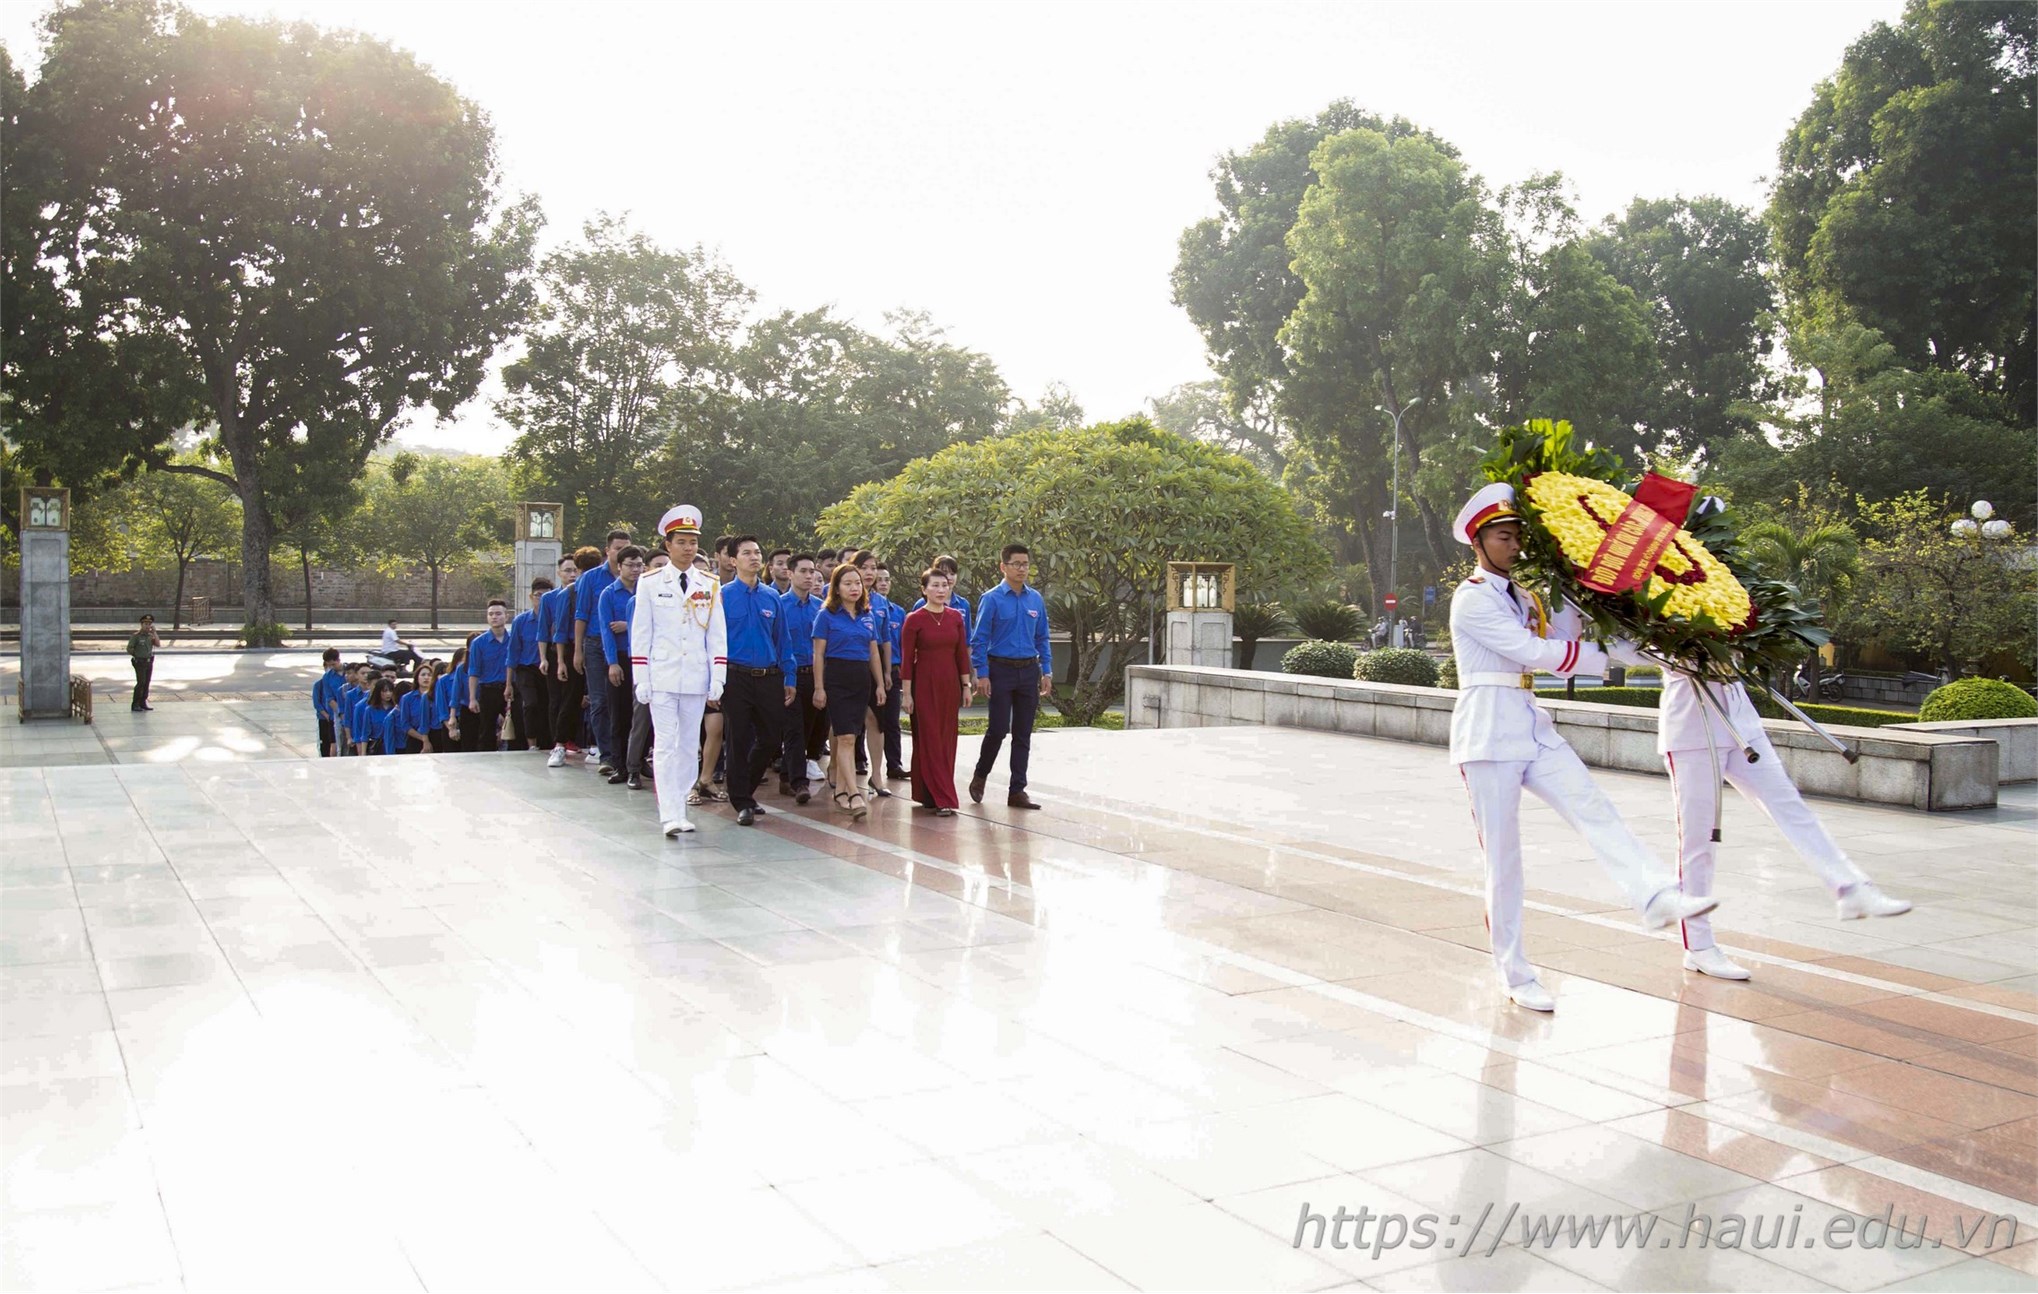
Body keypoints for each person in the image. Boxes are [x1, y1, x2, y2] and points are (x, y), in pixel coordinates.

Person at [1447, 482, 1716, 1013]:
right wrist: (1602, 656)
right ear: (1477, 543)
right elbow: (1533, 651)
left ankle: (1655, 895)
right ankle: (1515, 973)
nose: (1514, 545)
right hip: (1487, 733)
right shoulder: (1471, 597)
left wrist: (1584, 595)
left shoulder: (1526, 597)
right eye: (1503, 537)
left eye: (1517, 536)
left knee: (1594, 806)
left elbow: (1564, 636)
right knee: (1504, 861)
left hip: (1530, 725)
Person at [1659, 670, 1910, 980]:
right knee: (1699, 841)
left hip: (1742, 724)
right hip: (1692, 728)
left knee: (1792, 809)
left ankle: (1851, 887)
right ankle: (1699, 946)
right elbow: (1633, 650)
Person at [630, 506, 726, 836]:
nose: (688, 548)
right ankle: (668, 812)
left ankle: (681, 806)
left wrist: (718, 675)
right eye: (681, 542)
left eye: (692, 542)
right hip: (662, 675)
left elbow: (716, 634)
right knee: (665, 744)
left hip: (695, 675)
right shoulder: (650, 582)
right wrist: (641, 677)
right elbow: (641, 632)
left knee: (688, 745)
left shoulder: (709, 583)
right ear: (668, 545)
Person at [969, 544, 1051, 809]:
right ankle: (981, 774)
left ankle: (1017, 790)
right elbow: (979, 639)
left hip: (1028, 671)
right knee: (998, 729)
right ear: (1003, 566)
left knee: (1023, 733)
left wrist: (1047, 670)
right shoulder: (992, 598)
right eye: (1016, 564)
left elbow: (1042, 637)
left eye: (1025, 564)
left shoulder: (1035, 599)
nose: (1022, 569)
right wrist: (982, 674)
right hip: (1000, 670)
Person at [718, 537, 793, 826]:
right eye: (746, 553)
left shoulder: (771, 597)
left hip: (768, 677)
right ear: (733, 560)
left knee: (772, 738)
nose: (754, 557)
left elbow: (782, 639)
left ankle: (743, 791)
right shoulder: (722, 596)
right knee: (737, 738)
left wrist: (788, 675)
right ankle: (743, 801)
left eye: (757, 552)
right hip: (735, 677)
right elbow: (712, 640)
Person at [811, 561, 885, 820]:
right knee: (844, 737)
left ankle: (842, 791)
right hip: (837, 678)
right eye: (848, 583)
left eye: (857, 583)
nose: (854, 588)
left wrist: (880, 684)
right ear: (836, 588)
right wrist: (819, 687)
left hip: (861, 679)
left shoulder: (867, 615)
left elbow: (873, 652)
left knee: (853, 736)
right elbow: (818, 654)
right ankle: (854, 793)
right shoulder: (826, 615)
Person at [901, 567, 974, 815]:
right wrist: (907, 694)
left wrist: (966, 686)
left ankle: (929, 793)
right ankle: (944, 798)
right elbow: (906, 660)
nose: (941, 590)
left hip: (949, 685)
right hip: (924, 684)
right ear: (924, 590)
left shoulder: (955, 617)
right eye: (935, 585)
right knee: (930, 738)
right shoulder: (914, 619)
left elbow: (961, 654)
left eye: (944, 585)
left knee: (946, 740)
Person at [575, 530, 632, 770]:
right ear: (607, 550)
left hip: (626, 646)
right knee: (599, 701)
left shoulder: (638, 578)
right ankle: (607, 755)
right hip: (596, 644)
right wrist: (578, 650)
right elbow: (581, 615)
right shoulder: (591, 578)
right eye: (617, 548)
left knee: (627, 702)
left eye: (626, 548)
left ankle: (629, 754)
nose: (621, 552)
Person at [778, 554, 826, 803]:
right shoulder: (779, 605)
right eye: (803, 571)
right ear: (790, 573)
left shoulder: (820, 607)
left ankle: (787, 776)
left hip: (815, 675)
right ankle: (799, 783)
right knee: (794, 730)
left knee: (811, 729)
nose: (809, 576)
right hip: (790, 676)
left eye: (812, 572)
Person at [598, 545, 648, 785]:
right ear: (619, 567)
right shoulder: (609, 594)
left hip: (643, 658)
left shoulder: (647, 591)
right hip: (620, 657)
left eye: (639, 565)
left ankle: (640, 759)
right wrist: (612, 664)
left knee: (643, 714)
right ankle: (620, 765)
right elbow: (606, 631)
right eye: (630, 565)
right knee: (619, 713)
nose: (635, 570)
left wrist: (628, 625)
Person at [623, 553, 670, 791]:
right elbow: (637, 639)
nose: (663, 570)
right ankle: (633, 768)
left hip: (671, 668)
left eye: (665, 565)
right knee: (641, 721)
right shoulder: (639, 599)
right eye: (657, 566)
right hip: (648, 669)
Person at [544, 552, 589, 767]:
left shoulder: (600, 588)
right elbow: (556, 630)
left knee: (598, 700)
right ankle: (560, 743)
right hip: (570, 649)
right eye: (569, 570)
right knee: (568, 698)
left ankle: (598, 746)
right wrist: (559, 660)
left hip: (595, 647)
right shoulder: (565, 594)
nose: (573, 574)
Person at [873, 562, 909, 782]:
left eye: (887, 579)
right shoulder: (867, 608)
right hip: (870, 669)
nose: (883, 584)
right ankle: (860, 760)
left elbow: (903, 645)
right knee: (868, 721)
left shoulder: (898, 612)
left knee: (892, 721)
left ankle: (894, 764)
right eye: (879, 580)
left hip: (893, 670)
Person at [464, 600, 514, 752]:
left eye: (498, 614)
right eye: (491, 614)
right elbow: (474, 672)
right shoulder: (478, 643)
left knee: (515, 726)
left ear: (506, 616)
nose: (494, 617)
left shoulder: (513, 639)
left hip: (511, 689)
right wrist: (472, 698)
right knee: (486, 730)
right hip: (488, 690)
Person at [511, 578, 553, 754]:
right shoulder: (520, 621)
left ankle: (548, 743)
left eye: (546, 596)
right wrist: (508, 683)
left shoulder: (555, 620)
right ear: (531, 597)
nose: (541, 600)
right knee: (530, 704)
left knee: (547, 705)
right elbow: (513, 651)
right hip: (526, 669)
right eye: (538, 595)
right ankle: (531, 743)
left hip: (548, 670)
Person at [400, 660, 438, 753]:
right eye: (423, 675)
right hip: (415, 738)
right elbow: (405, 724)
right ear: (417, 678)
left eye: (429, 675)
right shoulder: (407, 698)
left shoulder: (438, 696)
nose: (426, 677)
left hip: (436, 736)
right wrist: (424, 739)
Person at [313, 648, 345, 756]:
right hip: (336, 715)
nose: (331, 667)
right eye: (329, 665)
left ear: (338, 660)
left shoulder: (350, 672)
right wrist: (340, 713)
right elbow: (329, 698)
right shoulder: (327, 677)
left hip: (352, 712)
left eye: (333, 664)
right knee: (335, 743)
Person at [126, 615, 161, 711]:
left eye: (149, 624)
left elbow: (158, 644)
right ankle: (135, 704)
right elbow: (129, 648)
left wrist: (154, 632)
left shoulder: (150, 636)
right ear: (141, 624)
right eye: (145, 624)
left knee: (147, 683)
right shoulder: (136, 636)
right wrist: (137, 655)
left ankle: (143, 702)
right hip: (140, 662)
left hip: (149, 661)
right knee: (141, 682)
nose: (147, 626)